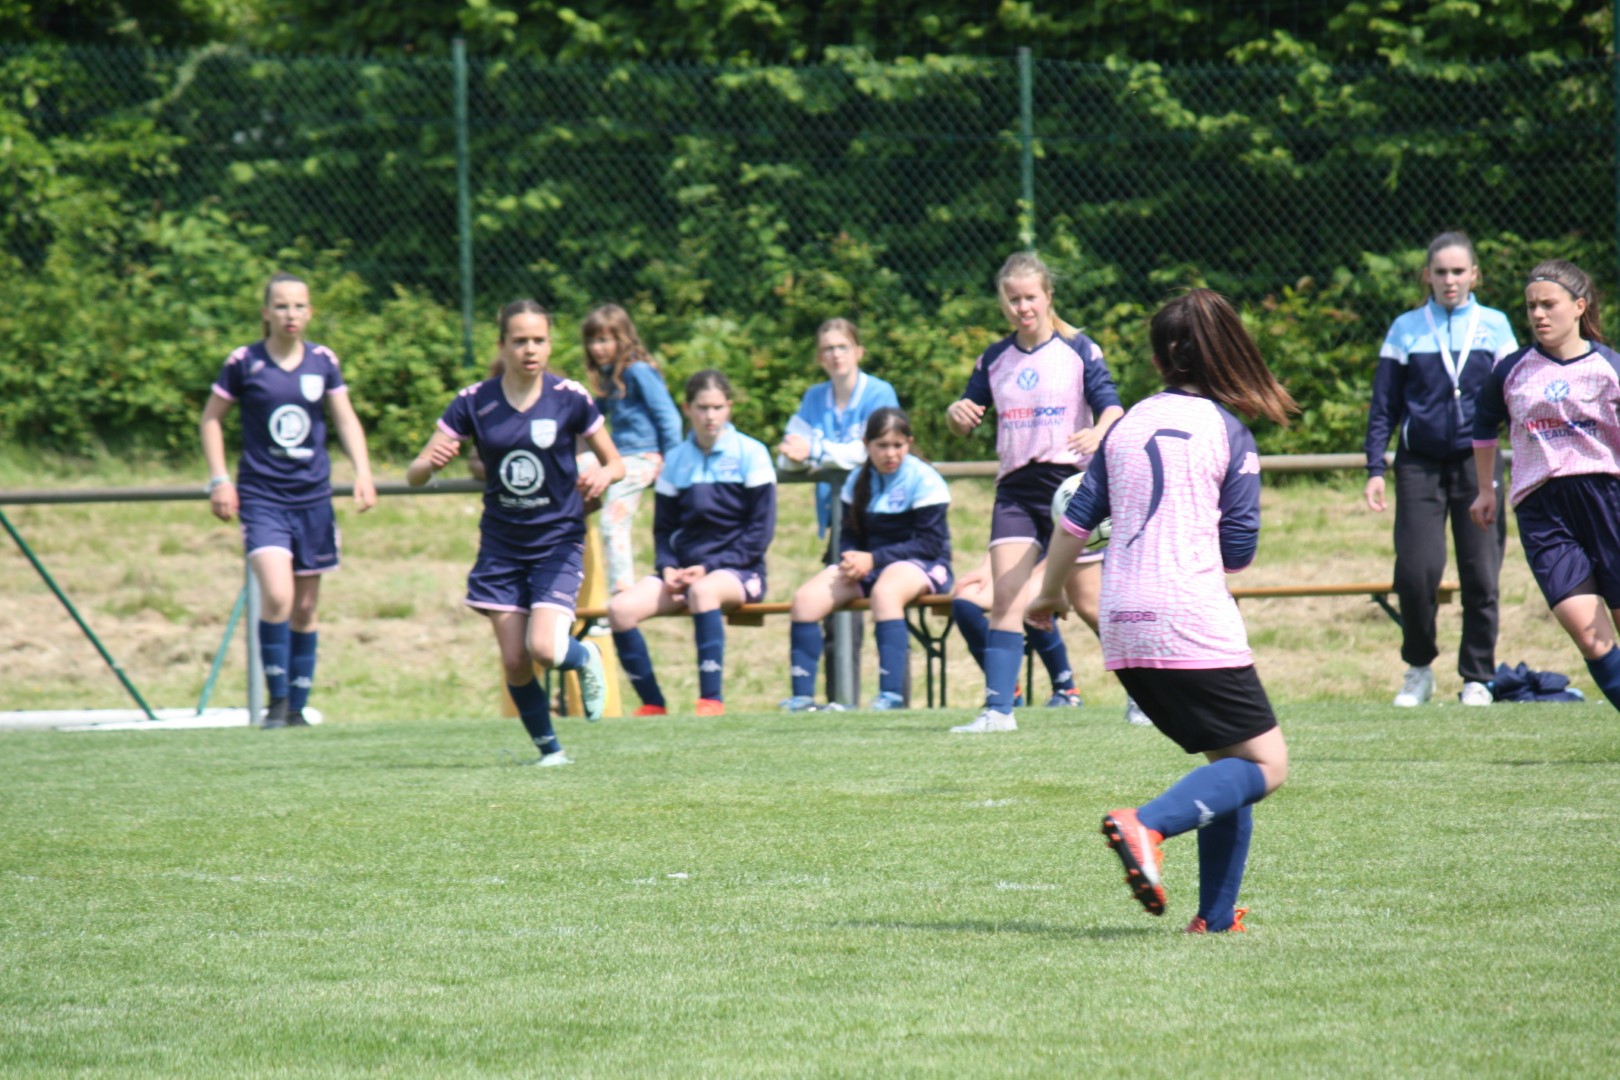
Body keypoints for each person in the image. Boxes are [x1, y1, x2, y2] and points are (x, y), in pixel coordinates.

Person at [1028, 288, 1297, 933]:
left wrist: (1048, 593)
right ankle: (1145, 825)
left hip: (1122, 624)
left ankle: (1214, 916)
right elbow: (1238, 553)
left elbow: (1075, 520)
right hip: (1188, 617)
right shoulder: (1229, 431)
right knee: (1267, 765)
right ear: (1227, 352)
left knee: (1230, 765)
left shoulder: (1124, 426)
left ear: (1157, 359)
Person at [406, 299, 621, 767]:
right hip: (502, 547)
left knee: (544, 648)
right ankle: (551, 752)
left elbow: (616, 462)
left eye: (539, 340)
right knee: (516, 661)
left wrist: (604, 474)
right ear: (502, 344)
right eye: (520, 340)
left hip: (557, 541)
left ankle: (584, 657)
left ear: (550, 345)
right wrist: (430, 463)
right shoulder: (473, 401)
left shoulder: (570, 396)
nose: (530, 349)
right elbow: (414, 474)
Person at [943, 251, 1123, 733]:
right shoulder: (994, 359)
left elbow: (1113, 409)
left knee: (1090, 603)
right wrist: (956, 413)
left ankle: (1144, 698)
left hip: (1070, 490)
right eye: (1013, 299)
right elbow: (964, 417)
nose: (1022, 307)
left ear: (1048, 297)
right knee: (1006, 596)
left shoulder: (1079, 349)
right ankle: (998, 711)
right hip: (1016, 491)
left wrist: (1099, 432)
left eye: (1030, 297)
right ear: (1003, 303)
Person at [200, 272, 377, 730]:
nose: (290, 314)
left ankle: (297, 707)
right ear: (266, 313)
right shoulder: (245, 362)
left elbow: (345, 419)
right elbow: (211, 419)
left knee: (304, 607)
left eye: (299, 306)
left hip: (313, 499)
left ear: (310, 312)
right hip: (262, 497)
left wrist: (363, 472)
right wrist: (220, 480)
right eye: (281, 306)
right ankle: (276, 702)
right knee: (277, 595)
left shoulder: (323, 361)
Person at [1364, 231, 1518, 707]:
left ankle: (1478, 676)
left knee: (1481, 574)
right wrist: (1374, 466)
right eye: (1440, 272)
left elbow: (1516, 398)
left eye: (1458, 271)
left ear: (1474, 275)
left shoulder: (1495, 326)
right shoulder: (1406, 328)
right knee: (1416, 572)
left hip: (1478, 462)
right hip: (1420, 464)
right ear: (1426, 276)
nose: (1450, 280)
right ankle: (1418, 668)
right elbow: (1384, 404)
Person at [1471, 260, 1620, 714]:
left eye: (1548, 304)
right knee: (1590, 636)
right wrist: (1486, 489)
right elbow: (1483, 425)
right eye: (1531, 306)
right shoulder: (1512, 370)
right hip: (1542, 510)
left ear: (1579, 306)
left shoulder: (1609, 366)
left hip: (1608, 501)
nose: (1538, 314)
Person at [609, 370, 777, 717]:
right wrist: (668, 567)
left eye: (717, 407)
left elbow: (760, 532)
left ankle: (710, 701)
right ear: (687, 409)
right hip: (685, 573)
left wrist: (709, 568)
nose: (710, 416)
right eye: (702, 408)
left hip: (740, 571)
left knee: (704, 591)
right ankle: (653, 705)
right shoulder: (676, 460)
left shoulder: (752, 453)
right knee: (620, 609)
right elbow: (663, 530)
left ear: (729, 407)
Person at [780, 408, 951, 712]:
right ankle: (802, 700)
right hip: (872, 566)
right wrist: (849, 559)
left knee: (886, 592)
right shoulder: (857, 480)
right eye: (882, 446)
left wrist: (873, 559)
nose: (890, 453)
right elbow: (849, 534)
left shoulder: (925, 479)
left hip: (923, 564)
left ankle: (890, 696)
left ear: (909, 443)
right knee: (805, 600)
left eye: (897, 445)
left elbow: (929, 544)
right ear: (866, 445)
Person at [581, 304, 683, 595]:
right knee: (575, 464)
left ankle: (621, 593)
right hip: (621, 456)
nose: (597, 348)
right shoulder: (609, 376)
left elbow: (669, 417)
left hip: (644, 455)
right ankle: (577, 514)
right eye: (592, 341)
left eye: (604, 340)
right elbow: (593, 420)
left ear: (622, 339)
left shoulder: (638, 371)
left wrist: (673, 465)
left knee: (613, 521)